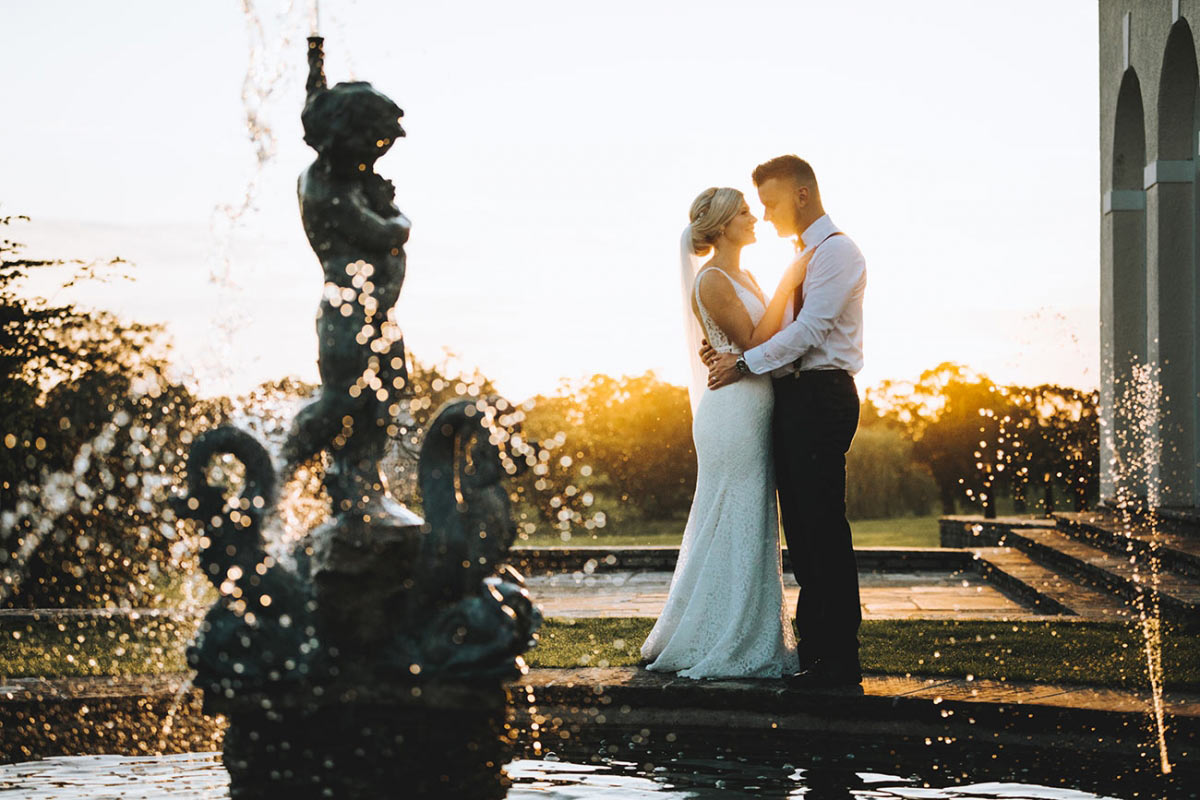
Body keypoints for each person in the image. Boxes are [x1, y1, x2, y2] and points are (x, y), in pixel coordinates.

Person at [704, 155, 866, 690]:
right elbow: (774, 329)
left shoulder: (837, 251)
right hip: (794, 398)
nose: (766, 216)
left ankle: (839, 659)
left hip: (822, 396)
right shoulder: (802, 255)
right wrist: (728, 349)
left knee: (823, 527)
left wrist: (744, 362)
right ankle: (815, 651)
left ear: (801, 195)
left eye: (770, 203)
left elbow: (811, 331)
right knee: (802, 530)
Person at [639, 186, 806, 679]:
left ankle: (737, 627)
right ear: (722, 225)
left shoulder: (746, 274)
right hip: (732, 411)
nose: (754, 218)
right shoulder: (712, 279)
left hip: (755, 402)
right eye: (744, 213)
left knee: (749, 516)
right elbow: (755, 340)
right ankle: (718, 634)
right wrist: (786, 284)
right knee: (733, 511)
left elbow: (744, 346)